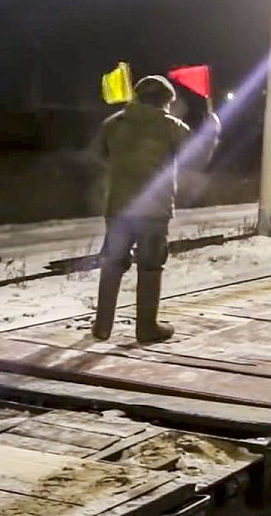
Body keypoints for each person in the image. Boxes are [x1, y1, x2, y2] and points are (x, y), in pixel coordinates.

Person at [92, 75, 219, 343]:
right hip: (153, 210)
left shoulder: (112, 124)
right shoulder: (170, 127)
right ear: (166, 101)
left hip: (118, 206)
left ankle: (102, 326)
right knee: (150, 265)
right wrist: (211, 132)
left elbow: (101, 155)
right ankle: (146, 327)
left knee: (112, 262)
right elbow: (195, 160)